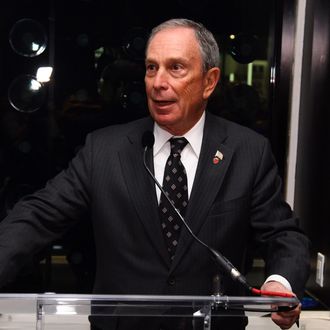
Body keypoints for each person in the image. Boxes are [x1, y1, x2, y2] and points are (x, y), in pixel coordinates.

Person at [0, 18, 310, 329]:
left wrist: (280, 283)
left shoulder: (248, 151)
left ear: (209, 82)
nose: (157, 82)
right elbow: (39, 215)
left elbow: (282, 235)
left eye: (176, 68)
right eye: (151, 68)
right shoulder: (105, 149)